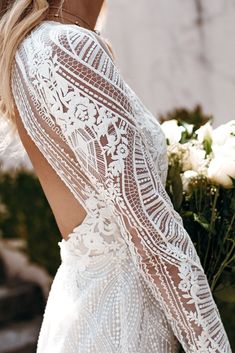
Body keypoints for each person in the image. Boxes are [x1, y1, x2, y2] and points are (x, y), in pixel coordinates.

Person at [0, 1, 232, 352]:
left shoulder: (33, 48)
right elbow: (150, 230)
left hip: (89, 306)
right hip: (125, 320)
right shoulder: (67, 46)